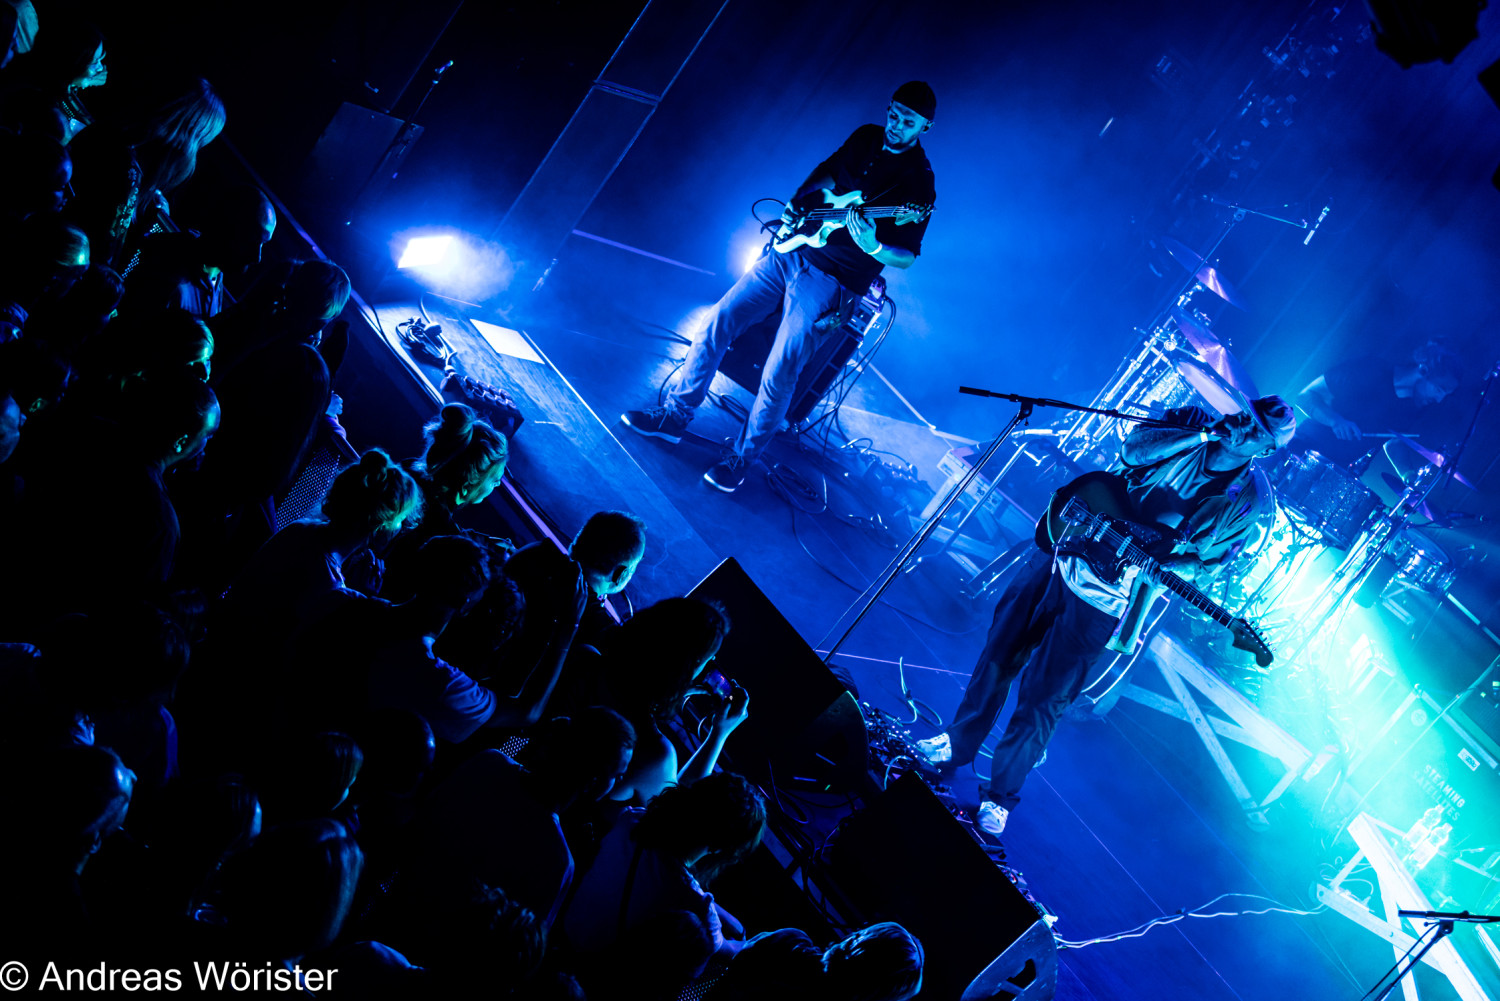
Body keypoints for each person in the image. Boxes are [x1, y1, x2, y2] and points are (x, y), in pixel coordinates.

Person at [916, 397, 1297, 834]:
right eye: (1246, 416)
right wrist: (1205, 434)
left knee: (1047, 696)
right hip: (1070, 543)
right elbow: (1133, 451)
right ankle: (955, 744)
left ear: (1265, 451)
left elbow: (1205, 567)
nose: (1243, 428)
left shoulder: (1245, 502)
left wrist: (1169, 567)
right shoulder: (1190, 420)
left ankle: (1000, 796)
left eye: (1256, 432)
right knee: (1000, 654)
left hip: (1109, 593)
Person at [622, 81, 937, 492]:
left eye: (907, 121)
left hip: (832, 283)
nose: (895, 124)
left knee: (779, 373)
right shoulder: (866, 135)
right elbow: (826, 170)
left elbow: (907, 255)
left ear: (924, 127)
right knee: (717, 321)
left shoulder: (919, 186)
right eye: (893, 113)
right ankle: (674, 417)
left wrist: (874, 243)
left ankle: (739, 460)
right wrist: (798, 203)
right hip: (789, 251)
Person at [1293, 341, 1460, 464]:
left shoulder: (1412, 408)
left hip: (1335, 473)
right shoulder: (1371, 370)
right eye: (1439, 390)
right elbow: (1305, 396)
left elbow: (1392, 442)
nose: (1439, 400)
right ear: (1424, 370)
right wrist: (1335, 421)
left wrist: (1408, 476)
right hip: (1301, 450)